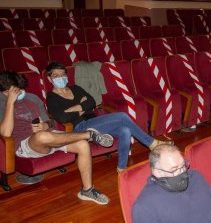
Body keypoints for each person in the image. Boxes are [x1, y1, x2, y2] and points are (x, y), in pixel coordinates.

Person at [0, 70, 111, 205]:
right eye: (15, 90)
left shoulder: (33, 98)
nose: (20, 92)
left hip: (51, 137)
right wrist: (10, 103)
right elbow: (5, 133)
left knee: (82, 145)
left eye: (21, 89)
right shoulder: (2, 102)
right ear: (6, 91)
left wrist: (45, 125)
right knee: (42, 136)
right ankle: (89, 134)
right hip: (26, 145)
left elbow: (51, 122)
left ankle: (87, 190)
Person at [45, 62, 173, 173]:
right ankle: (151, 143)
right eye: (56, 76)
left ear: (67, 76)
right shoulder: (51, 97)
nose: (60, 78)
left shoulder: (76, 88)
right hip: (80, 128)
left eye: (62, 75)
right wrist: (82, 106)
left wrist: (74, 108)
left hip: (95, 121)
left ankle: (122, 168)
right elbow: (62, 117)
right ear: (50, 79)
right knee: (122, 116)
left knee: (125, 130)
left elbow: (92, 102)